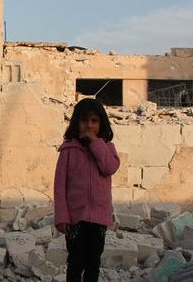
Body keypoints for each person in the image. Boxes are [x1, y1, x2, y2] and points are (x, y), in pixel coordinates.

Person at [54, 98, 120, 282]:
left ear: (101, 124)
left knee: (93, 263)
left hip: (99, 219)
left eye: (94, 121)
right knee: (75, 262)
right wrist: (62, 216)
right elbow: (59, 186)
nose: (89, 125)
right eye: (84, 120)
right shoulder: (69, 150)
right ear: (76, 123)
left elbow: (109, 167)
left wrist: (95, 143)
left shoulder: (107, 148)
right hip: (75, 219)